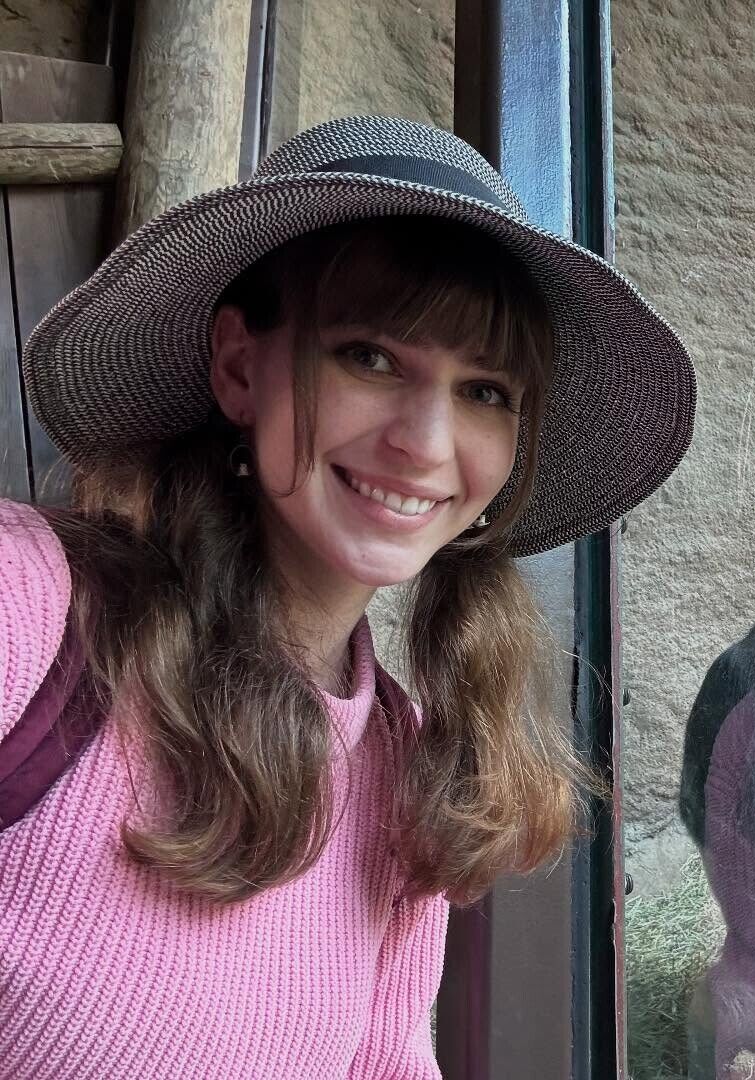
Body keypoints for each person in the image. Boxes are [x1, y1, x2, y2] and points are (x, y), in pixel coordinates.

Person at [0, 115, 694, 1078]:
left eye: (486, 391)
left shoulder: (406, 766)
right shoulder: (31, 608)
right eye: (371, 357)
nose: (426, 444)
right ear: (240, 367)